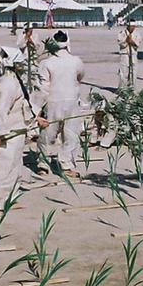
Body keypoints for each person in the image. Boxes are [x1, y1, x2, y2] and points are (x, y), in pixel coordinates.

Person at [0, 48, 47, 216]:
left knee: (14, 166)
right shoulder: (8, 84)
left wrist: (36, 120)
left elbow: (24, 105)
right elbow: (0, 111)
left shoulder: (14, 80)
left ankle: (8, 198)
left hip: (17, 130)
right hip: (8, 133)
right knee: (2, 166)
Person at [37, 30, 85, 177]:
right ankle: (66, 165)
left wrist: (38, 107)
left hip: (53, 101)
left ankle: (43, 163)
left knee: (48, 134)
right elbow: (80, 76)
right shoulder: (77, 61)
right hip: (71, 101)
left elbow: (43, 86)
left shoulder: (46, 63)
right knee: (70, 134)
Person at [117, 21, 142, 87]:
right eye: (131, 26)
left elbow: (137, 43)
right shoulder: (122, 33)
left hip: (133, 54)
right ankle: (122, 87)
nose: (132, 28)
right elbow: (121, 44)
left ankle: (132, 87)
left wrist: (132, 42)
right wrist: (126, 41)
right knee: (123, 71)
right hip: (124, 54)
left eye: (134, 26)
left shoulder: (137, 34)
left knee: (133, 71)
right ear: (128, 26)